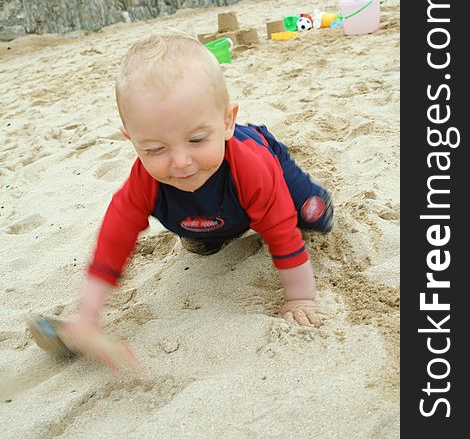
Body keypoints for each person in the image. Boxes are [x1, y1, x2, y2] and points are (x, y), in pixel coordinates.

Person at [58, 34, 333, 369]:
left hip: (264, 157)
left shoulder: (251, 169)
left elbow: (281, 233)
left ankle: (309, 202)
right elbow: (113, 244)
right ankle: (212, 230)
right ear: (131, 139)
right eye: (155, 149)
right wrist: (87, 315)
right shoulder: (144, 182)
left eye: (197, 139)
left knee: (311, 215)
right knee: (204, 235)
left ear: (227, 121)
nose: (181, 161)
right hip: (211, 210)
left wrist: (299, 297)